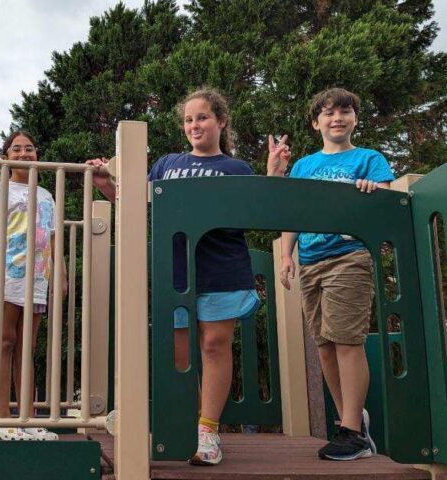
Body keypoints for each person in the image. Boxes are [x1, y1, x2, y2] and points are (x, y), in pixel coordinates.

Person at [87, 87, 290, 465]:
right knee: (180, 355)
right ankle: (184, 427)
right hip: (176, 272)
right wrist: (106, 185)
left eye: (203, 117)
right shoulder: (166, 164)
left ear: (221, 121)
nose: (195, 125)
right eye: (189, 119)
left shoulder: (236, 168)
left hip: (222, 268)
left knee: (214, 344)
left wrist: (272, 175)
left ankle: (207, 430)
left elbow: (257, 216)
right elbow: (134, 203)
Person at [279, 87, 394, 460]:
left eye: (345, 111)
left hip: (349, 256)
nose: (337, 118)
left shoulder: (368, 159)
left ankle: (350, 433)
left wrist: (372, 190)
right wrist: (286, 256)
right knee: (325, 345)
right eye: (328, 113)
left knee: (346, 340)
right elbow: (291, 214)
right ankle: (352, 420)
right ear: (317, 123)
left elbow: (384, 201)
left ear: (355, 120)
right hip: (311, 261)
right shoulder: (303, 166)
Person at [0, 131, 65, 441]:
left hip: (37, 278)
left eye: (29, 148)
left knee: (27, 346)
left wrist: (61, 275)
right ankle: (0, 417)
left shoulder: (45, 195)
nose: (24, 153)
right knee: (4, 340)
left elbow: (53, 239)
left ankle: (27, 417)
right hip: (7, 275)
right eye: (16, 149)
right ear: (6, 157)